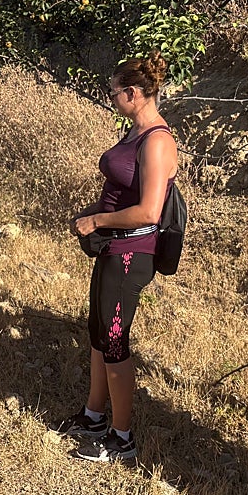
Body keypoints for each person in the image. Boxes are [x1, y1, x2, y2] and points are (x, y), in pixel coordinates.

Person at [54, 54, 178, 464]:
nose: (110, 98)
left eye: (114, 92)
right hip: (112, 247)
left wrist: (98, 219)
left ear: (134, 93)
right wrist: (94, 217)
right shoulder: (134, 133)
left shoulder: (157, 141)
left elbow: (148, 211)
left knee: (114, 341)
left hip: (131, 252)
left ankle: (122, 437)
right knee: (98, 332)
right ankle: (93, 416)